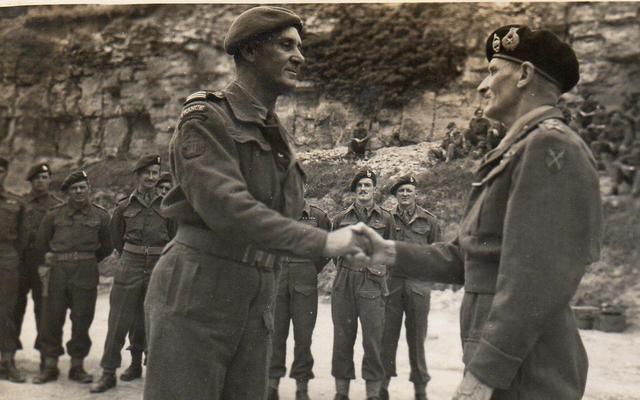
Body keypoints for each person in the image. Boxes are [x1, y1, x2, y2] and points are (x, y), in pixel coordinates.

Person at [354, 25, 603, 400]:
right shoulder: (516, 150)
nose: (481, 87)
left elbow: (538, 277)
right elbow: (468, 256)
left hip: (525, 369)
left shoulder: (550, 147)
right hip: (509, 362)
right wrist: (386, 251)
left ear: (524, 75)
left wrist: (485, 374)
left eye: (492, 72)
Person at [143, 6, 366, 400]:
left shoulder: (273, 130)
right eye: (285, 46)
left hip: (258, 290)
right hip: (200, 286)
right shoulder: (206, 117)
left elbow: (281, 211)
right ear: (249, 51)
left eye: (300, 47)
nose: (300, 57)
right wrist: (321, 242)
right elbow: (227, 207)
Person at [91, 155, 175, 393]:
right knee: (118, 320)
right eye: (147, 173)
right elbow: (115, 238)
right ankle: (108, 373)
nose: (151, 177)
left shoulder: (168, 206)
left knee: (156, 320)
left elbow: (174, 236)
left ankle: (148, 372)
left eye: (155, 173)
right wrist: (132, 255)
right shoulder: (123, 207)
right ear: (137, 176)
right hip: (131, 263)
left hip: (159, 265)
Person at [33, 170, 113, 384]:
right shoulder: (53, 215)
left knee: (82, 317)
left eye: (82, 187)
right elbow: (41, 243)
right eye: (74, 188)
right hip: (58, 270)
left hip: (86, 270)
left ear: (89, 189)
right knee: (52, 317)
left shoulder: (101, 215)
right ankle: (50, 366)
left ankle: (77, 366)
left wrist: (86, 260)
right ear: (68, 192)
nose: (79, 191)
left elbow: (107, 246)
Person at [331, 169, 395, 400]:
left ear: (375, 189)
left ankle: (373, 395)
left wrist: (376, 270)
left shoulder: (386, 218)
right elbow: (332, 248)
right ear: (355, 190)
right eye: (359, 186)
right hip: (345, 280)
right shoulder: (340, 219)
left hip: (372, 282)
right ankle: (341, 393)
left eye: (368, 185)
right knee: (342, 339)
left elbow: (390, 249)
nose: (363, 189)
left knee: (373, 340)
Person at [381, 176, 441, 400]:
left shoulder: (429, 221)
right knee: (387, 339)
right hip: (392, 285)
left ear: (415, 193)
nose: (405, 194)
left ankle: (420, 389)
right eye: (401, 191)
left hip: (418, 287)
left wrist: (425, 283)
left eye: (409, 190)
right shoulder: (386, 219)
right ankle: (382, 387)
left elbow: (437, 254)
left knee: (417, 340)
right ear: (395, 195)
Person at [268, 201, 332, 400]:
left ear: (304, 185)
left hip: (305, 281)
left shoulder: (318, 216)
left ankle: (301, 387)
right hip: (278, 279)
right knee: (275, 336)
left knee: (303, 337)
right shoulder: (274, 212)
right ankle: (272, 385)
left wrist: (310, 268)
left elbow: (327, 248)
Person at [14, 163, 63, 365]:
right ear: (30, 181)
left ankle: (46, 355)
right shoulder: (20, 203)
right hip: (20, 263)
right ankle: (7, 356)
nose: (41, 181)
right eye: (37, 178)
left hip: (45, 264)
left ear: (50, 180)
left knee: (45, 309)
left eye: (44, 177)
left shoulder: (58, 205)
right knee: (13, 308)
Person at [0, 157, 26, 383]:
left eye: (0, 171)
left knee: (6, 311)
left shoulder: (15, 203)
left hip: (7, 258)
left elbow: (23, 238)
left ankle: (7, 361)